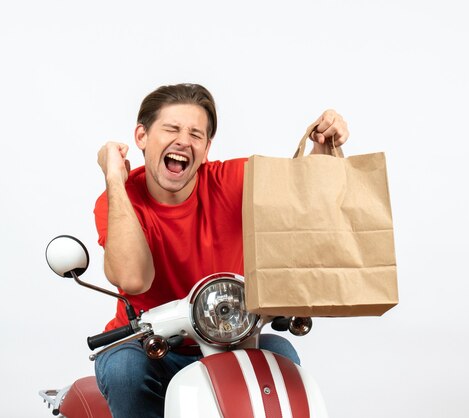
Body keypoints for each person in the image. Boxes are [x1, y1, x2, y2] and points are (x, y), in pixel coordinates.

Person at [92, 83, 349, 418]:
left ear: (207, 146)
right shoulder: (119, 202)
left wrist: (322, 149)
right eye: (171, 128)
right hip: (146, 345)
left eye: (195, 133)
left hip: (231, 339)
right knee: (124, 371)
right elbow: (134, 278)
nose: (183, 140)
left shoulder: (234, 180)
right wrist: (114, 178)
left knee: (282, 356)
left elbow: (304, 202)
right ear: (141, 136)